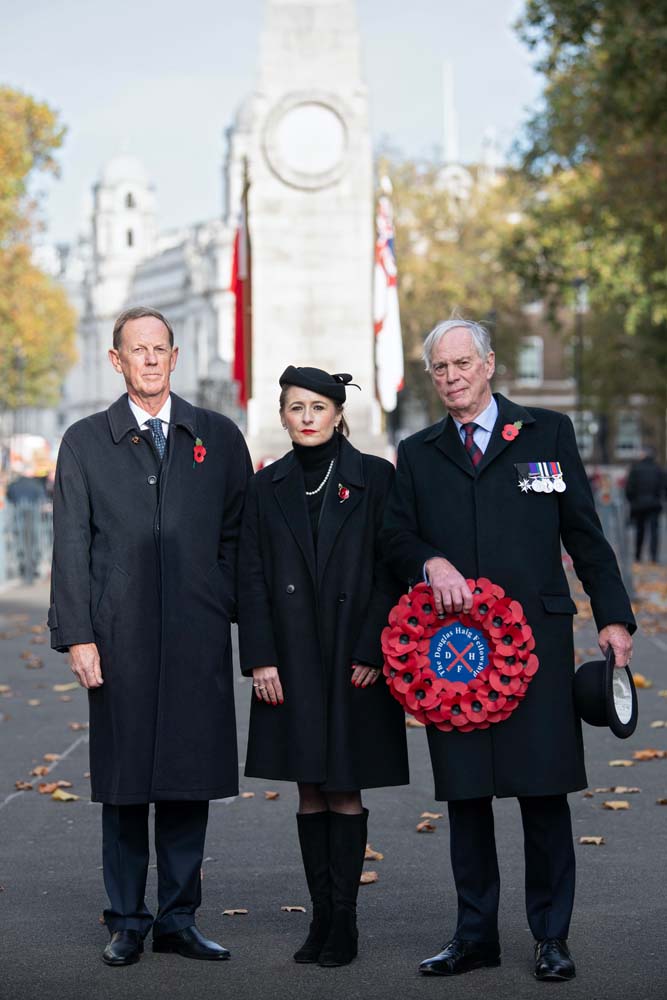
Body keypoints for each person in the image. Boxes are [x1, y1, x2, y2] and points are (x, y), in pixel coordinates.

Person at [382, 319, 635, 982]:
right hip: (453, 657)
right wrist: (429, 561)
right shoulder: (417, 451)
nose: (450, 377)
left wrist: (613, 618)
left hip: (537, 649)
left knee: (542, 793)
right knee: (466, 798)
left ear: (489, 364)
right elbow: (396, 538)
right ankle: (473, 936)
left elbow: (583, 533)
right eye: (439, 368)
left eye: (461, 363)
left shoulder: (546, 434)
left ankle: (551, 937)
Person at [49, 306, 252, 967]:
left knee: (188, 781)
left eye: (160, 348)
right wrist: (78, 634)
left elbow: (237, 535)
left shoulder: (217, 437)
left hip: (195, 635)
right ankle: (127, 921)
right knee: (125, 784)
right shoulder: (85, 441)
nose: (151, 359)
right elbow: (71, 544)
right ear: (118, 360)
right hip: (118, 637)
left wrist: (218, 597)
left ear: (174, 354)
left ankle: (178, 919)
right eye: (138, 350)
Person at [238, 365, 409, 968]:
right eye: (295, 408)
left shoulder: (375, 479)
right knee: (309, 785)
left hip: (353, 655)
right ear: (282, 416)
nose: (307, 417)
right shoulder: (267, 485)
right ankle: (320, 919)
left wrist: (374, 647)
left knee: (344, 785)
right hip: (290, 655)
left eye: (318, 407)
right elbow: (251, 577)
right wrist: (259, 658)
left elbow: (393, 569)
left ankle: (346, 923)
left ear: (339, 414)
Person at [625, 448, 665, 563]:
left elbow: (629, 489)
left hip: (639, 505)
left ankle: (638, 555)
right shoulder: (658, 469)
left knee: (639, 531)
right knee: (654, 532)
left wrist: (632, 501)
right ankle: (654, 556)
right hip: (654, 504)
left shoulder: (635, 469)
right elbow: (663, 487)